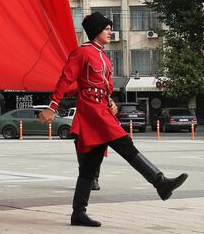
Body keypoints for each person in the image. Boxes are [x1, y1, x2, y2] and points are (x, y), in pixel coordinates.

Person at [38, 12, 187, 227]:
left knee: (89, 166)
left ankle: (78, 213)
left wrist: (109, 100)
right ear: (96, 31)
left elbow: (104, 86)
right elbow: (65, 79)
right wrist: (52, 107)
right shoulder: (82, 53)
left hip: (101, 110)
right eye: (107, 28)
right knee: (125, 145)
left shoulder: (105, 58)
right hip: (91, 111)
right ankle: (160, 182)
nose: (110, 32)